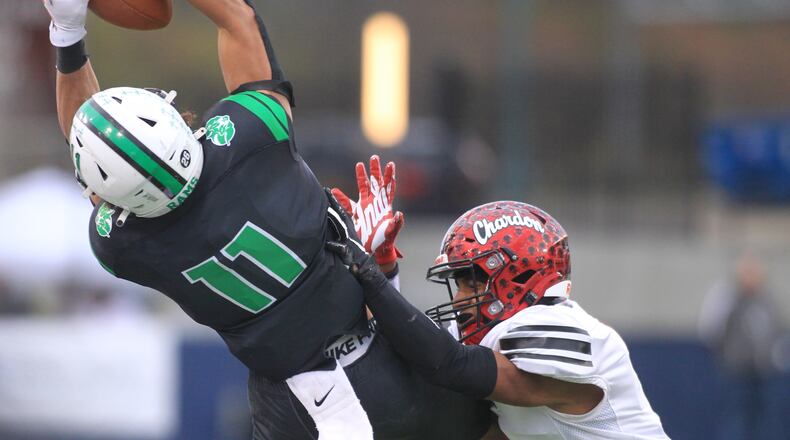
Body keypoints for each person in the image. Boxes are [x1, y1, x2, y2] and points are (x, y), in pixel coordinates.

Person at [43, 1, 493, 438]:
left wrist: (68, 36)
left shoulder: (121, 245)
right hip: (392, 348)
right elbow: (237, 18)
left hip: (298, 408)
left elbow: (93, 150)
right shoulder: (248, 138)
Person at [330, 164, 670, 439]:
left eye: (472, 282)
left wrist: (370, 277)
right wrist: (383, 266)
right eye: (458, 285)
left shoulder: (572, 333)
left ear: (520, 276)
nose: (461, 299)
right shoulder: (492, 344)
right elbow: (408, 356)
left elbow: (449, 365)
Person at [698, 253, 785, 440]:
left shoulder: (766, 300)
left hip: (762, 372)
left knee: (761, 421)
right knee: (735, 421)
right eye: (748, 272)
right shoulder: (727, 297)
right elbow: (710, 329)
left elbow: (776, 331)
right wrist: (727, 355)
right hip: (735, 372)